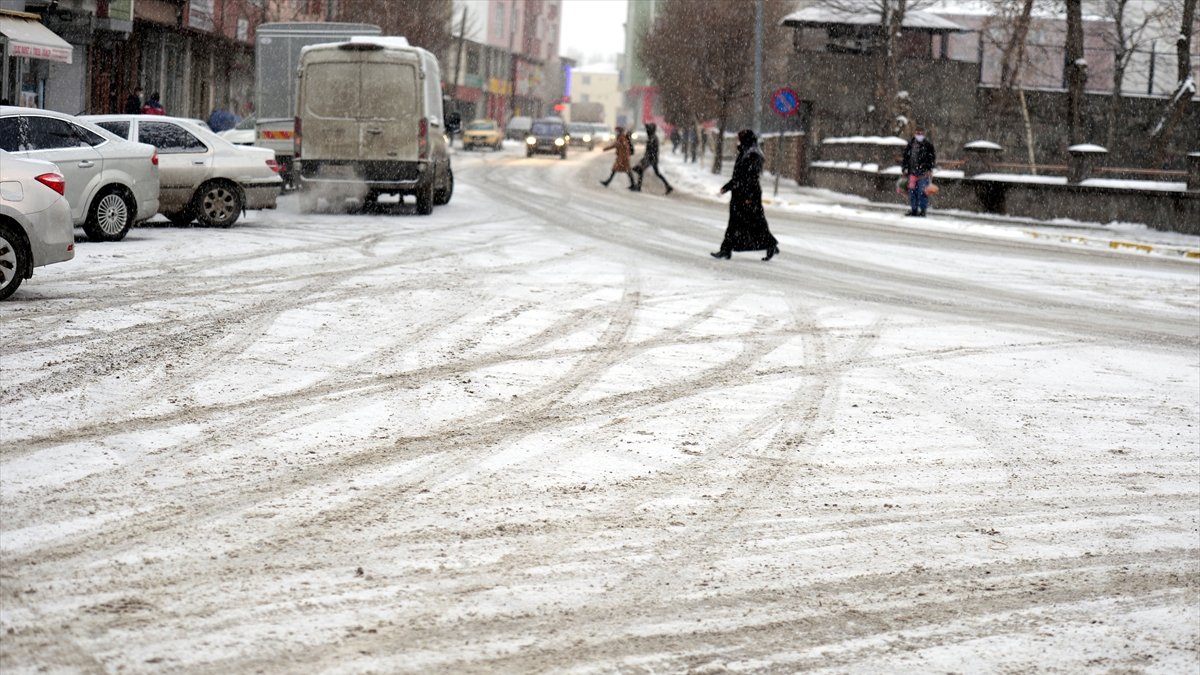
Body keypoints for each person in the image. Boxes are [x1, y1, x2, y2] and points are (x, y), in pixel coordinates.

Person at [711, 129, 779, 261]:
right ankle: (727, 249)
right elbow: (739, 177)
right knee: (744, 223)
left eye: (740, 139)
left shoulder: (752, 155)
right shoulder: (745, 152)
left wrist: (748, 197)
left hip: (747, 195)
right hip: (740, 194)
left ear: (745, 140)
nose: (738, 141)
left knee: (754, 223)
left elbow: (750, 178)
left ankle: (769, 244)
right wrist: (727, 187)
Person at [901, 125, 936, 217]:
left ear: (924, 134)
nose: (919, 135)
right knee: (912, 192)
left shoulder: (928, 145)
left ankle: (923, 210)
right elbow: (906, 157)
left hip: (923, 173)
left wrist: (929, 168)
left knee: (922, 192)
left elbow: (932, 158)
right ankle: (914, 210)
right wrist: (904, 168)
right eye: (917, 133)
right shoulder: (910, 144)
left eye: (921, 133)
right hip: (912, 173)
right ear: (914, 133)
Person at [632, 122, 673, 195]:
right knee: (656, 173)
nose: (647, 131)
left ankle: (638, 186)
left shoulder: (653, 138)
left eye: (647, 130)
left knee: (642, 170)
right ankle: (668, 186)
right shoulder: (652, 137)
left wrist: (646, 159)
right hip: (651, 158)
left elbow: (651, 150)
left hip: (652, 159)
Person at [600, 125, 636, 190]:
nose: (616, 132)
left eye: (617, 131)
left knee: (618, 170)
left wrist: (605, 149)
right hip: (623, 157)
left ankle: (607, 182)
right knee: (625, 171)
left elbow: (616, 145)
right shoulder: (622, 137)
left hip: (623, 158)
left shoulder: (621, 138)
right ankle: (633, 184)